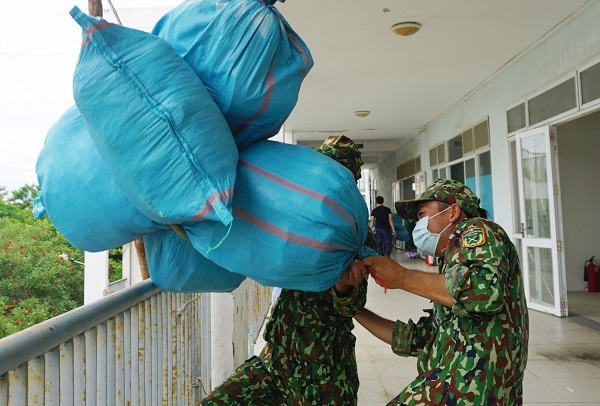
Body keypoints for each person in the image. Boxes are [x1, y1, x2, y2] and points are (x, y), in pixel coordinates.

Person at [199, 135, 375, 405]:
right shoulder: (300, 220)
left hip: (323, 373)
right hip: (276, 357)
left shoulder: (358, 234)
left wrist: (343, 285)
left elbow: (353, 306)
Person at [356, 178, 529, 405]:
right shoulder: (453, 262)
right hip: (456, 380)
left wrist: (403, 277)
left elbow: (482, 293)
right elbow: (419, 338)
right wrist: (354, 310)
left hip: (470, 387)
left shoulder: (478, 229)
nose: (418, 225)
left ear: (453, 212)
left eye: (422, 215)